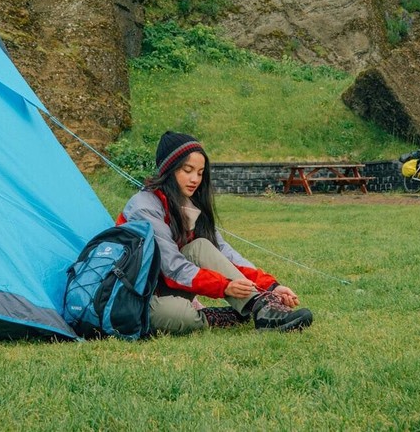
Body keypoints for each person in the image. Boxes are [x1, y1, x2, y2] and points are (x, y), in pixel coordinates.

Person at [117, 131, 313, 334]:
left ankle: (262, 309)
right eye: (187, 170)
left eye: (200, 173)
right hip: (136, 297)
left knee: (201, 245)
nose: (195, 179)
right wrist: (224, 286)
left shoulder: (189, 204)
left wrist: (269, 288)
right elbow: (172, 268)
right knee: (172, 315)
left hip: (165, 287)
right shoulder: (145, 208)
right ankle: (223, 316)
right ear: (169, 170)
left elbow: (223, 254)